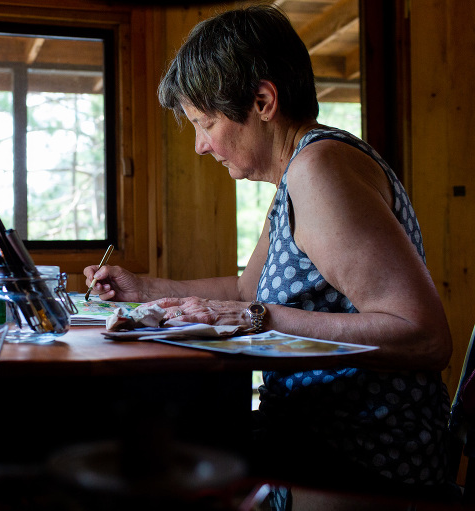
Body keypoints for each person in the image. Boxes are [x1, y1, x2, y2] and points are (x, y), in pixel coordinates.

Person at [83, 5, 456, 509]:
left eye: (205, 123)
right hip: (307, 434)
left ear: (262, 101)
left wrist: (257, 318)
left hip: (362, 455)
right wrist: (143, 290)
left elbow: (424, 336)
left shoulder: (320, 170)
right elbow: (245, 292)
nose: (200, 146)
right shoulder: (296, 174)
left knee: (142, 471)